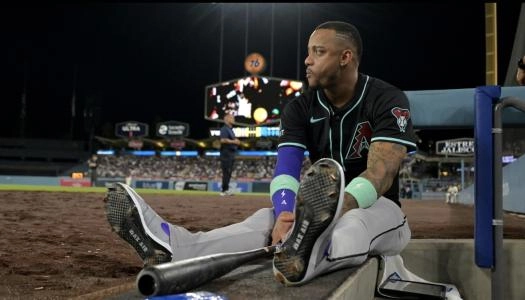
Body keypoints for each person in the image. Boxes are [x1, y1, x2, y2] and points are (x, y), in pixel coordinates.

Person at [104, 21, 417, 287]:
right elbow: (286, 168)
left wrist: (332, 212)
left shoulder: (386, 97)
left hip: (382, 210)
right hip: (314, 216)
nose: (307, 60)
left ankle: (306, 260)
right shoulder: (300, 106)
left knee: (354, 225)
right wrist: (284, 214)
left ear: (346, 57)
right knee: (264, 222)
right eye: (308, 52)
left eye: (318, 52)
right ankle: (176, 248)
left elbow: (382, 173)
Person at [219, 113, 241, 196]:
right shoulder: (224, 129)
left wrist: (236, 141)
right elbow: (223, 140)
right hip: (226, 153)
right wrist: (234, 141)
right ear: (227, 119)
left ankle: (226, 189)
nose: (233, 119)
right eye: (232, 118)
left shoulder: (230, 129)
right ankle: (224, 190)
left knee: (229, 172)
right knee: (226, 172)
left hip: (231, 153)